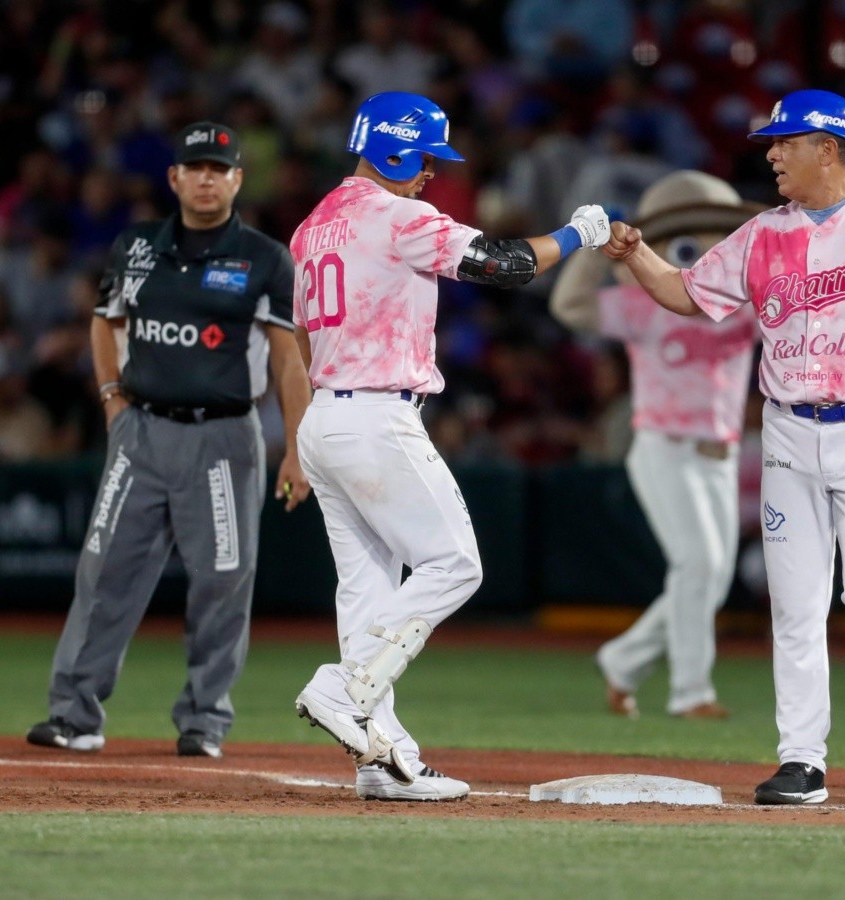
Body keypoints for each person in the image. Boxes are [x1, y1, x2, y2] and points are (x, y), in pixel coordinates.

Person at [604, 90, 845, 804]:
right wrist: (640, 254)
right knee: (796, 604)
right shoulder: (762, 233)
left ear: (827, 149)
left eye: (785, 141)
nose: (771, 153)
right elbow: (687, 293)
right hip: (789, 431)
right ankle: (802, 758)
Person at [290, 91, 610, 801]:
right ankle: (346, 688)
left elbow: (304, 333)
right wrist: (577, 233)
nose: (433, 172)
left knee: (368, 589)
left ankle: (383, 756)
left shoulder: (315, 225)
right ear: (396, 149)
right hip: (375, 415)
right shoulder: (398, 215)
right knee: (457, 564)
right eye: (427, 157)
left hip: (326, 413)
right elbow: (505, 264)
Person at [26, 121, 312, 759]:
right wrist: (111, 401)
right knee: (103, 571)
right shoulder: (135, 246)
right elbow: (105, 324)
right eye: (196, 167)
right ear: (174, 177)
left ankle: (205, 719)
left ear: (238, 178)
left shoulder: (265, 257)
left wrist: (296, 448)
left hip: (223, 438)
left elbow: (290, 360)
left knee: (223, 581)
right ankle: (74, 715)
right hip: (141, 431)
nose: (207, 177)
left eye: (220, 168)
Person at [550, 170, 760, 719]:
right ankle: (692, 692)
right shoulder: (646, 304)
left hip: (721, 452)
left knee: (709, 577)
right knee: (698, 564)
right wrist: (604, 248)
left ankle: (622, 661)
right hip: (663, 444)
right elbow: (569, 307)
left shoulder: (746, 302)